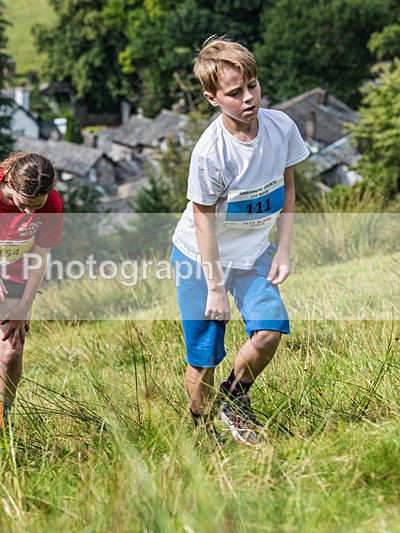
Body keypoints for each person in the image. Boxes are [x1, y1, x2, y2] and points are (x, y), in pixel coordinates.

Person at [170, 37, 309, 445]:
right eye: (235, 93)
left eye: (253, 85)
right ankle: (202, 434)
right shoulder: (210, 153)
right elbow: (202, 223)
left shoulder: (282, 127)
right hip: (199, 258)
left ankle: (234, 399)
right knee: (205, 354)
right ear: (212, 97)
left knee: (270, 329)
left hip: (252, 255)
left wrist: (282, 249)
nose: (249, 98)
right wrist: (215, 288)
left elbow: (288, 188)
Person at [0, 152, 63, 431]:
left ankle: (5, 414)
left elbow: (41, 256)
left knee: (12, 351)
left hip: (19, 272)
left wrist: (22, 308)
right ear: (10, 183)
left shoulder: (52, 204)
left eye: (37, 206)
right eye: (24, 204)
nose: (29, 213)